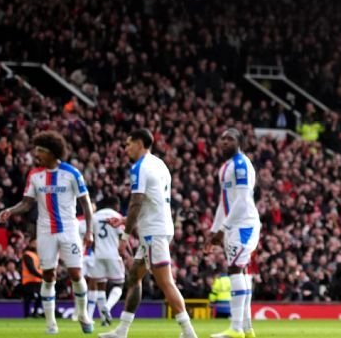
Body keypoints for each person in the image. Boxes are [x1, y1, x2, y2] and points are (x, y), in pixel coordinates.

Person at [98, 128, 198, 338]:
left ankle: (189, 332)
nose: (126, 149)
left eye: (128, 144)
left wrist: (125, 236)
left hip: (153, 232)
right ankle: (122, 331)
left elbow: (136, 203)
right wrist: (124, 219)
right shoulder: (160, 164)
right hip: (158, 228)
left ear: (139, 143)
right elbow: (153, 202)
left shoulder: (139, 167)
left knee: (165, 282)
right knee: (134, 276)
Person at [0, 131, 96, 334]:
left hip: (69, 230)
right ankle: (50, 323)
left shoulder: (72, 173)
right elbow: (27, 203)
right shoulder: (35, 175)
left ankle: (82, 314)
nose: (36, 154)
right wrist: (10, 211)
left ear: (52, 152)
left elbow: (86, 203)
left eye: (40, 150)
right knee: (48, 275)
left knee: (76, 273)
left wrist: (89, 231)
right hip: (45, 232)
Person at [207, 128, 261, 338]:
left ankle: (236, 328)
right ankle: (246, 329)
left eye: (230, 139)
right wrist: (214, 230)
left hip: (244, 225)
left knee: (235, 270)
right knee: (242, 272)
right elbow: (224, 202)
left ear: (240, 143)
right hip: (233, 225)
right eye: (223, 139)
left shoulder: (241, 165)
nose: (224, 142)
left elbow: (242, 199)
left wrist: (223, 229)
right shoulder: (225, 167)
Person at [85, 196, 125, 326]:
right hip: (113, 254)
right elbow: (123, 237)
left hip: (98, 254)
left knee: (101, 285)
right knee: (119, 284)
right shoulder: (117, 216)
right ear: (115, 205)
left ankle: (104, 319)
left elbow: (91, 237)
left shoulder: (95, 216)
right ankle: (107, 307)